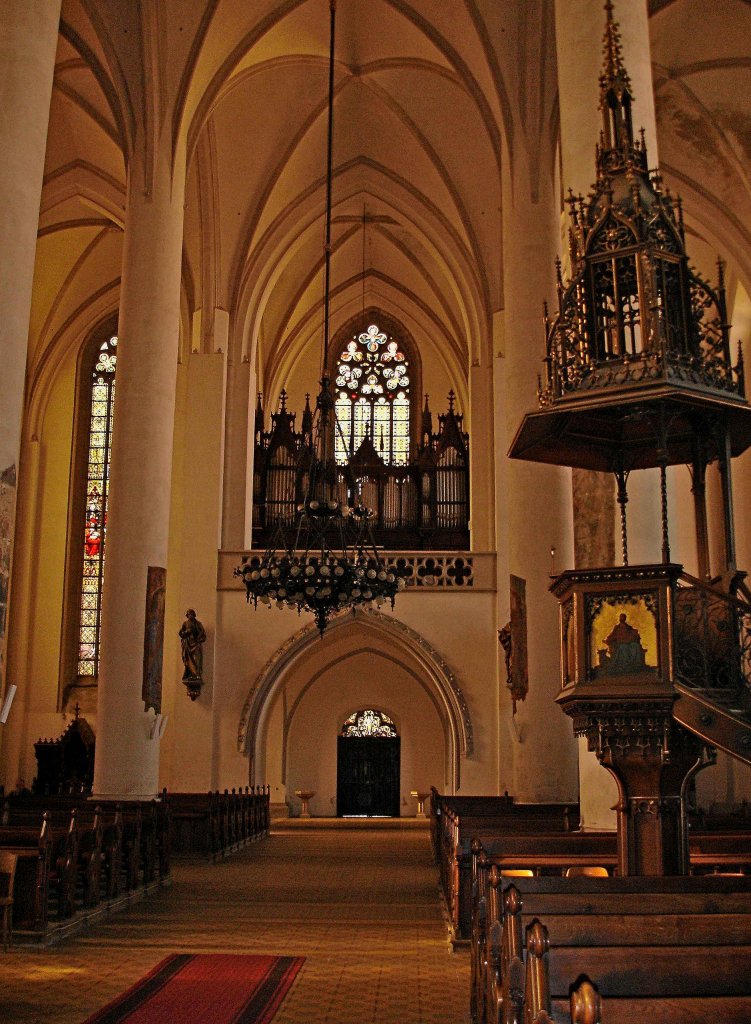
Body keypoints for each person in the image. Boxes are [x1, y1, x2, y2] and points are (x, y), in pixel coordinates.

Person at [179, 609, 206, 681]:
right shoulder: (185, 623)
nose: (190, 615)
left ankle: (196, 674)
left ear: (194, 615)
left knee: (196, 659)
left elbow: (202, 633)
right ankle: (191, 674)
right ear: (187, 616)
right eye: (189, 614)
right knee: (188, 659)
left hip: (196, 644)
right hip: (187, 644)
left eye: (192, 614)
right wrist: (186, 632)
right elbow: (181, 633)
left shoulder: (198, 624)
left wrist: (199, 638)